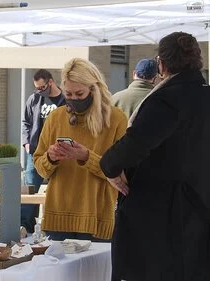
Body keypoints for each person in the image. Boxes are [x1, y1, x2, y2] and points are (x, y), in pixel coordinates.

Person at [100, 32, 210, 281]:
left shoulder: (167, 99)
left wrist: (109, 165)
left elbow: (135, 143)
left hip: (165, 217)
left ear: (162, 63)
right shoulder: (205, 94)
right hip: (200, 208)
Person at [33, 58, 127, 241]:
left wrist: (86, 157)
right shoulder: (55, 118)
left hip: (96, 219)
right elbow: (40, 168)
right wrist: (50, 157)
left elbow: (122, 173)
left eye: (79, 93)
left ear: (94, 89)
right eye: (68, 93)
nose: (73, 99)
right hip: (58, 217)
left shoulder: (116, 120)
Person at [21, 69, 65, 233]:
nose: (39, 90)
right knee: (30, 189)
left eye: (42, 87)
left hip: (58, 154)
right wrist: (26, 143)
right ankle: (25, 225)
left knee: (58, 189)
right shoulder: (34, 99)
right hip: (36, 153)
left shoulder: (64, 100)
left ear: (51, 82)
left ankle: (55, 225)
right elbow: (26, 122)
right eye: (37, 88)